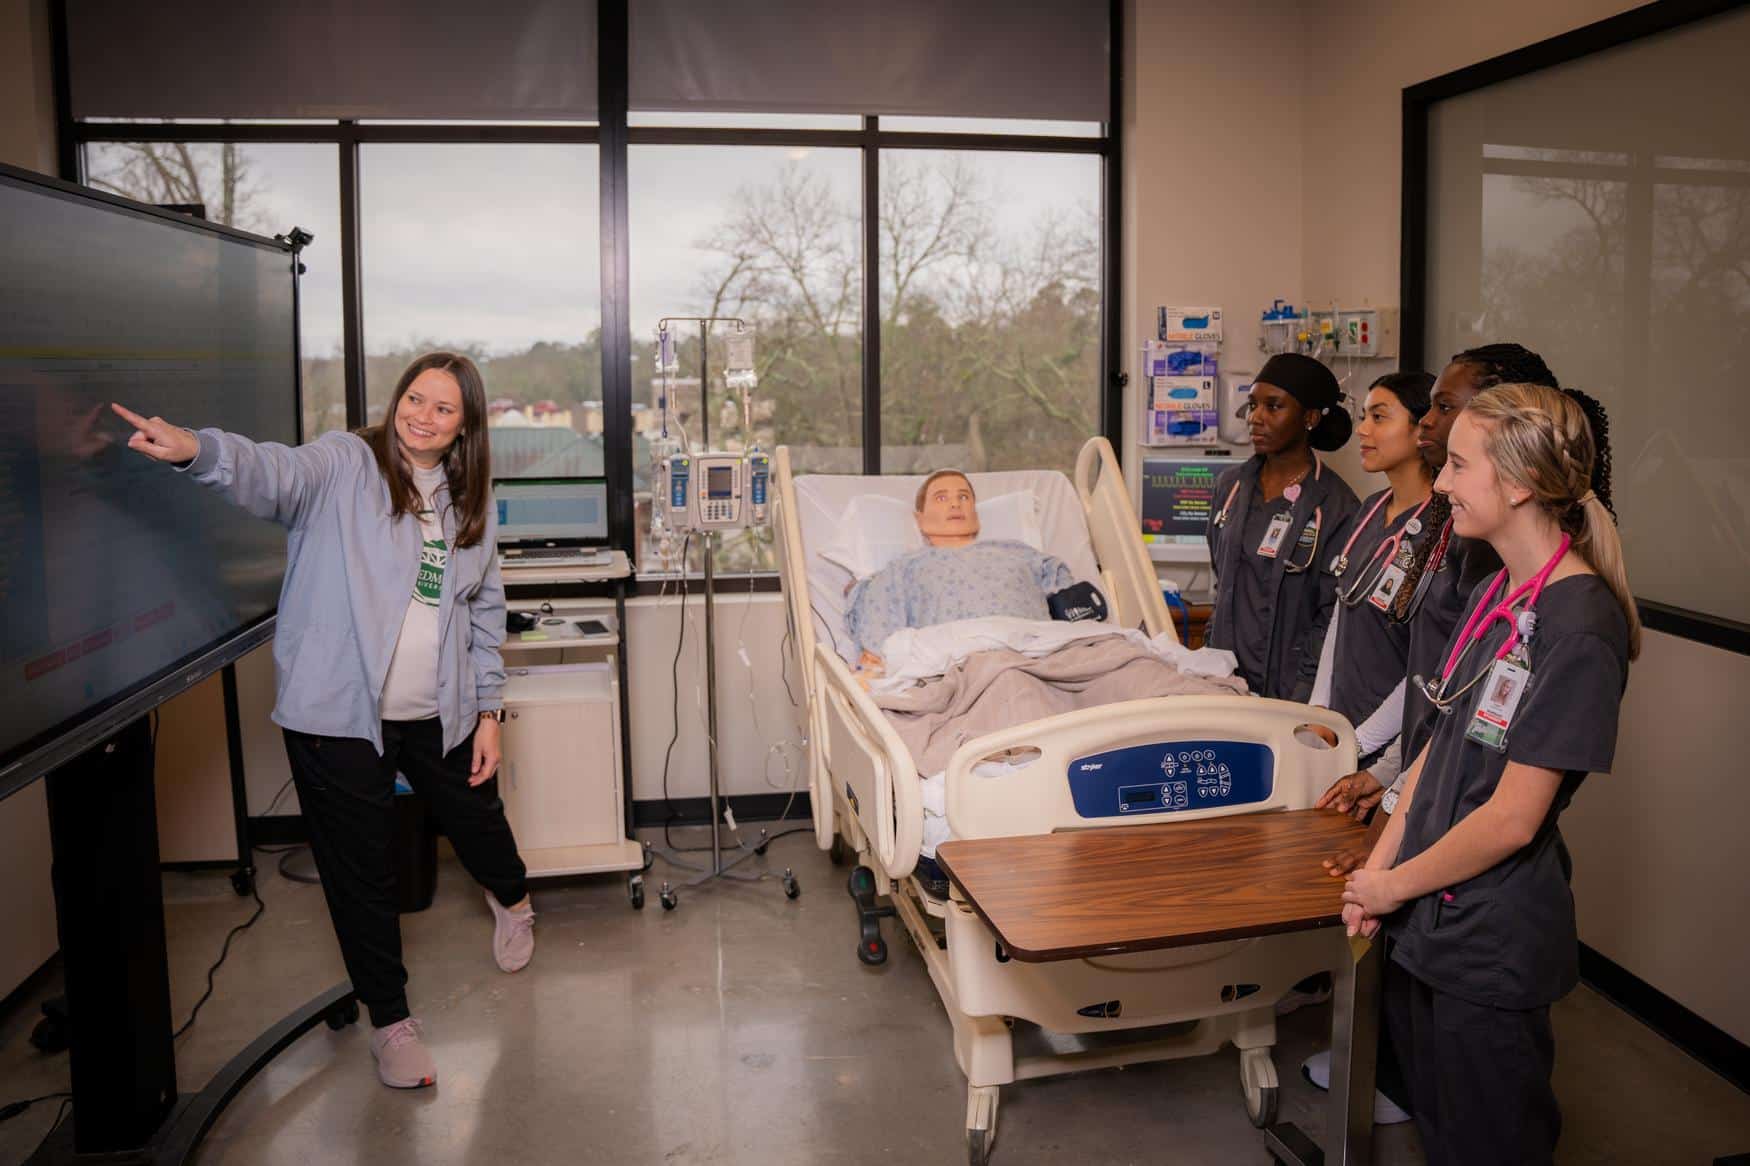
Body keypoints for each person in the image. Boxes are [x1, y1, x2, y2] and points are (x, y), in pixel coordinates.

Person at [111, 351, 533, 1091]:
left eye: (442, 408)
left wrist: (491, 708)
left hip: (445, 706)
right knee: (362, 873)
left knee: (477, 820)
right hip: (338, 718)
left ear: (464, 429)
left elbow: (484, 612)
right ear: (396, 398)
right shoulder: (344, 463)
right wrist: (197, 450)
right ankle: (391, 1022)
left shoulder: (467, 501)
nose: (421, 416)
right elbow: (272, 473)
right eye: (414, 397)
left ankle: (513, 897)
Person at [1340, 383, 1640, 1165]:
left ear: (1515, 484)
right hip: (1423, 917)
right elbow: (1437, 740)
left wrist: (1393, 886)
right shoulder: (1495, 589)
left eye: (1458, 467)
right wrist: (1378, 869)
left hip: (1488, 934)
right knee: (1441, 1129)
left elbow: (1513, 819)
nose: (1438, 484)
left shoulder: (1580, 628)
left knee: (1491, 1142)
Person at [1205, 352, 1359, 700]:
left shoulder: (1338, 508)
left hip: (1290, 692)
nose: (1255, 418)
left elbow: (1330, 618)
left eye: (1273, 407)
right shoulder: (1230, 487)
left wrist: (1305, 693)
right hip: (1222, 682)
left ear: (1308, 417)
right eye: (1253, 404)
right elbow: (1222, 578)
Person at [846, 469, 1073, 675]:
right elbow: (878, 638)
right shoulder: (904, 567)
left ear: (976, 513)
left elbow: (1073, 602)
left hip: (1046, 658)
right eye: (941, 498)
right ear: (920, 519)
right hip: (966, 668)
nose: (955, 504)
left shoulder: (1019, 552)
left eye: (963, 497)